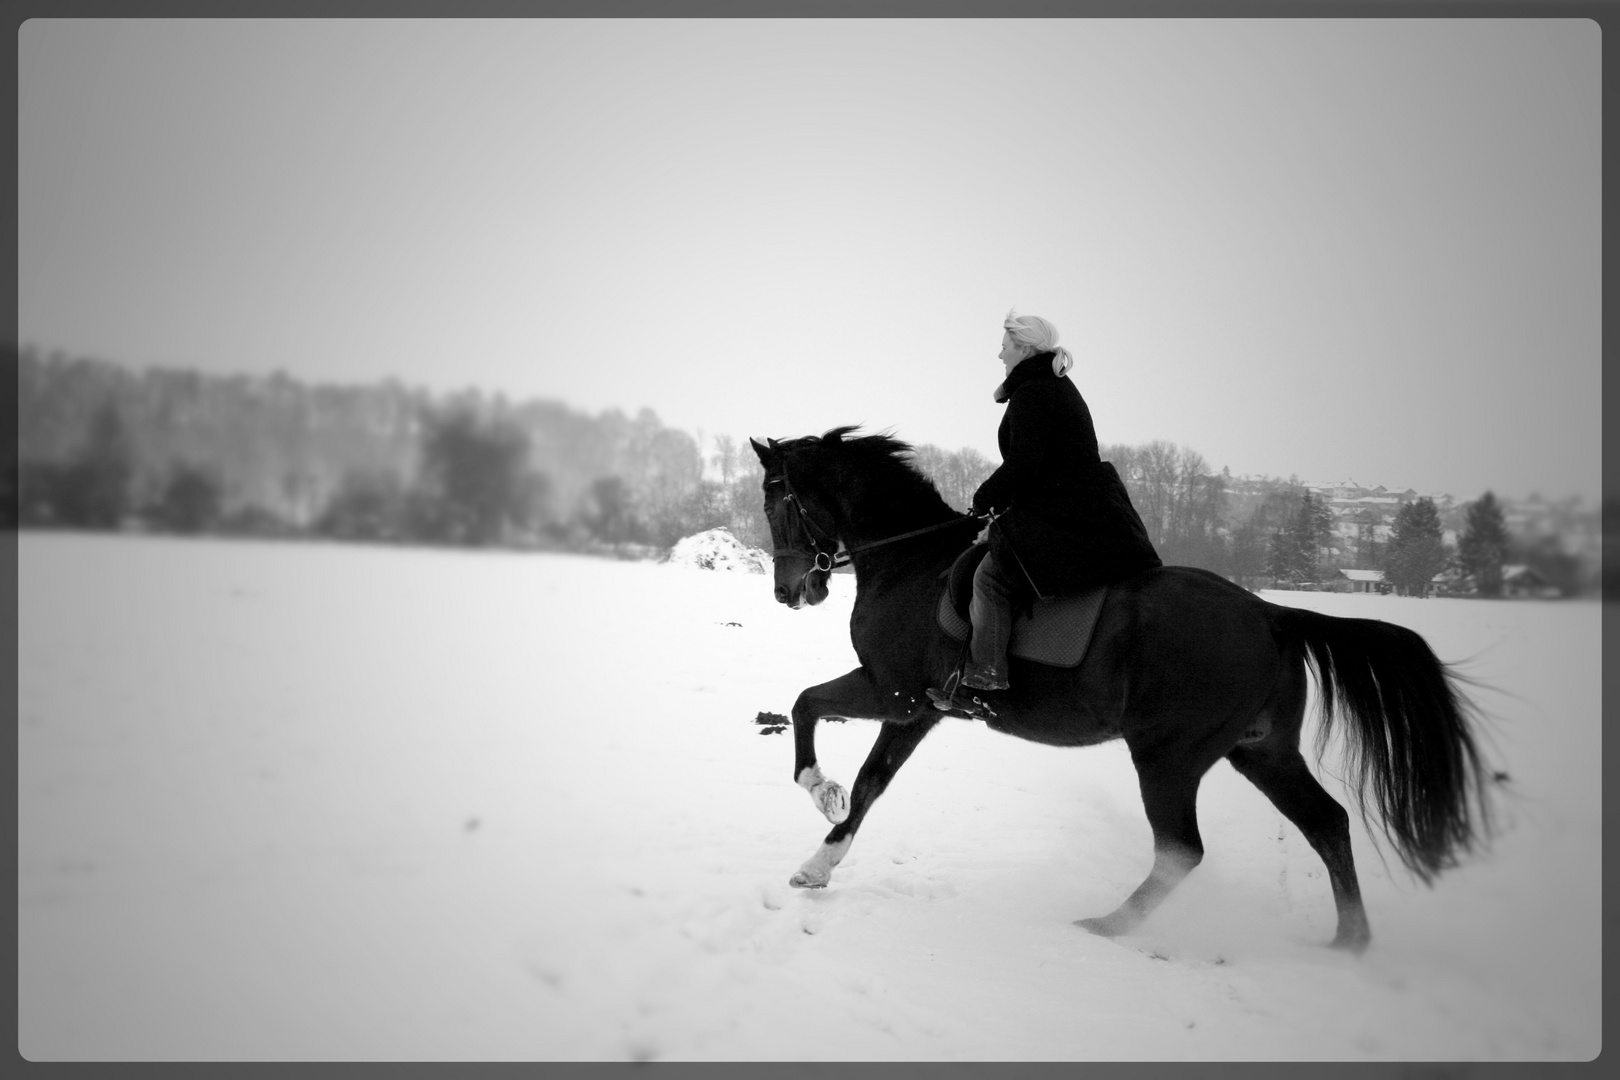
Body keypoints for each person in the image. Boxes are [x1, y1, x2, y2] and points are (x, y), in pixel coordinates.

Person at [933, 311, 1161, 713]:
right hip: (1074, 504)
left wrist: (986, 496)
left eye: (1004, 345)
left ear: (1023, 348)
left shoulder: (1035, 392)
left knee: (990, 577)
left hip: (1066, 512)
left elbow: (1025, 463)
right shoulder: (1050, 385)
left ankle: (986, 673)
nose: (999, 353)